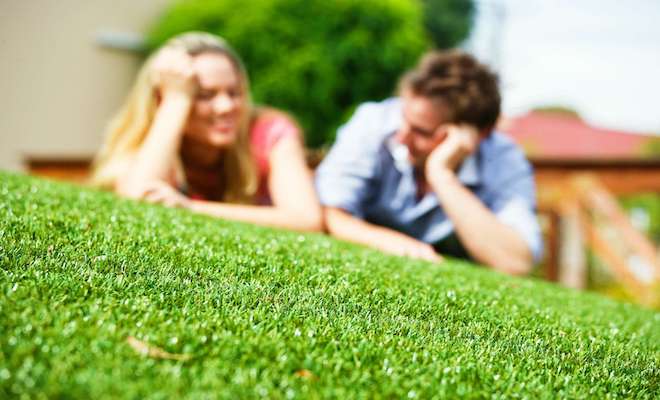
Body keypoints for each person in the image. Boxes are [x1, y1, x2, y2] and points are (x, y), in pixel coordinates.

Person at [315, 50, 542, 275]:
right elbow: (332, 214)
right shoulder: (373, 122)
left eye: (421, 132)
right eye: (404, 117)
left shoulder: (504, 160)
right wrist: (385, 241)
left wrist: (442, 174)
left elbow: (516, 262)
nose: (401, 136)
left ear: (478, 135)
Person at [91, 32, 321, 232]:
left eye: (234, 92)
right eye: (204, 95)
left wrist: (190, 208)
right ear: (162, 100)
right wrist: (176, 101)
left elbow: (306, 219)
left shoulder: (270, 131)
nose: (226, 107)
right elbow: (137, 201)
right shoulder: (158, 136)